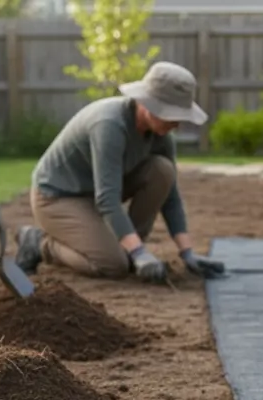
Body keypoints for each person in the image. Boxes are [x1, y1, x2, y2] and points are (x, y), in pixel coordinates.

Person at [13, 61, 224, 283]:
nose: (177, 125)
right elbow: (107, 199)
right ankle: (38, 243)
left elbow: (170, 195)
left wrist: (187, 252)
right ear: (148, 104)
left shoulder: (161, 135)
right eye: (172, 116)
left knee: (163, 171)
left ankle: (129, 248)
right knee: (112, 265)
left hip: (97, 192)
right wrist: (139, 253)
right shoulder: (109, 125)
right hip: (58, 198)